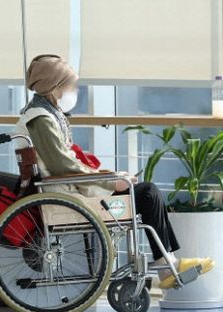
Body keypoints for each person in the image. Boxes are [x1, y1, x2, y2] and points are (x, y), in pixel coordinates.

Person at [15, 54, 214, 288]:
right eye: (70, 86)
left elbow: (63, 162)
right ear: (55, 86)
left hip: (71, 188)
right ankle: (167, 265)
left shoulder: (44, 113)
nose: (74, 91)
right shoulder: (41, 118)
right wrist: (110, 182)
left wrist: (111, 176)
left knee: (145, 192)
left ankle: (167, 263)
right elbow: (62, 165)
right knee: (148, 193)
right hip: (69, 195)